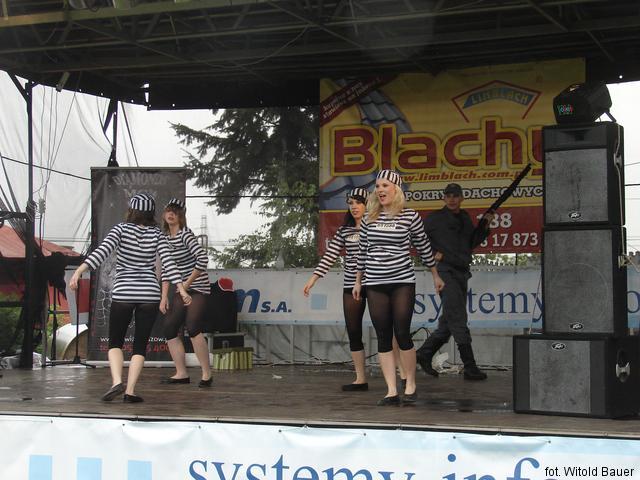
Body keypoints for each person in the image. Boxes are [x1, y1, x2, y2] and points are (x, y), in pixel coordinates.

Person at [69, 193, 191, 403]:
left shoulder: (121, 229)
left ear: (132, 210)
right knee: (140, 345)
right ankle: (130, 391)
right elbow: (169, 263)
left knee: (115, 342)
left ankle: (117, 381)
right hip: (149, 294)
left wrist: (79, 271)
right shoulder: (157, 234)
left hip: (124, 292)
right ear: (151, 212)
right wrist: (181, 288)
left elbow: (101, 252)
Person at [353, 170, 444, 406]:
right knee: (383, 336)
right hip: (375, 283)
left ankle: (410, 383)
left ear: (396, 188)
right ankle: (391, 391)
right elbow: (362, 252)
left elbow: (423, 247)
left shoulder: (410, 216)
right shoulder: (369, 218)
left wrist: (435, 275)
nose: (380, 190)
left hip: (402, 281)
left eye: (385, 185)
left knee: (402, 333)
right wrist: (358, 281)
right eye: (377, 186)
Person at [415, 183, 495, 380]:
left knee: (448, 322)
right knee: (458, 317)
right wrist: (433, 254)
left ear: (461, 198)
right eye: (448, 195)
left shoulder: (465, 217)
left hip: (461, 273)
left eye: (455, 195)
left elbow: (471, 243)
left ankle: (424, 353)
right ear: (444, 198)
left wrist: (485, 225)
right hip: (445, 272)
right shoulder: (435, 218)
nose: (452, 199)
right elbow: (417, 239)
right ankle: (470, 366)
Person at [303, 188, 370, 391]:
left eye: (359, 202)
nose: (354, 206)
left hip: (376, 282)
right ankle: (360, 379)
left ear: (367, 204)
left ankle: (402, 376)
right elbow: (331, 254)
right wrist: (313, 278)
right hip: (351, 285)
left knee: (387, 329)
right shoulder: (345, 230)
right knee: (353, 330)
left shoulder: (375, 226)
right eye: (351, 203)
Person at [159, 198, 212, 388]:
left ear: (181, 216)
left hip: (197, 287)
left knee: (193, 326)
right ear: (164, 214)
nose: (171, 214)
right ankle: (181, 373)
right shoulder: (165, 239)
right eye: (168, 210)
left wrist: (186, 284)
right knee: (169, 327)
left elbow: (202, 259)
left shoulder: (186, 235)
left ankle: (206, 373)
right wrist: (164, 297)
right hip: (182, 289)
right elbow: (167, 268)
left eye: (175, 211)